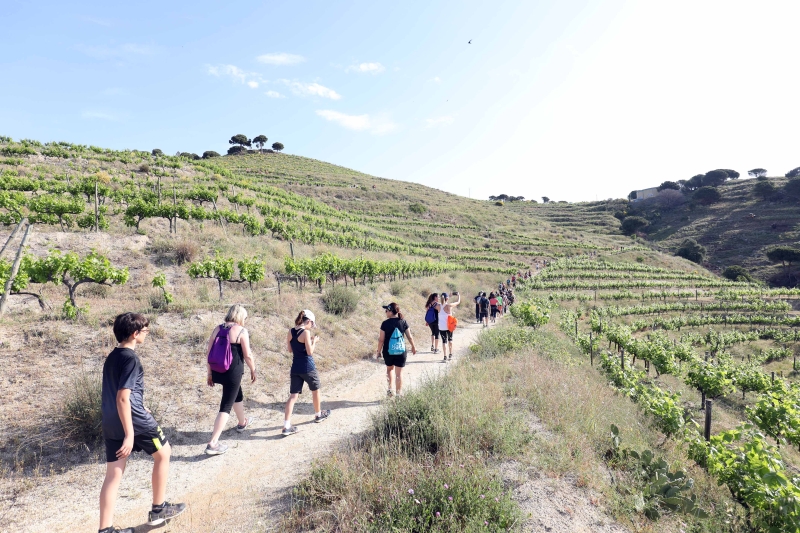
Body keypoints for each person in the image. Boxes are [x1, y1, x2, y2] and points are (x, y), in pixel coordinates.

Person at [99, 313, 185, 533]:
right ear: (135, 334)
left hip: (111, 421)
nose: (147, 334)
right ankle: (159, 509)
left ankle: (105, 530)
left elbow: (120, 394)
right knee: (164, 453)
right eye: (145, 331)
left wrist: (139, 404)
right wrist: (130, 434)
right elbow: (122, 397)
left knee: (113, 474)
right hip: (134, 421)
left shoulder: (112, 356)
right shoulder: (131, 358)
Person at [205, 304, 257, 455]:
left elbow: (208, 353)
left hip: (216, 370)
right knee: (226, 406)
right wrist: (253, 369)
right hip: (232, 372)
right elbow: (247, 355)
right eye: (245, 317)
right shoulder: (241, 330)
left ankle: (242, 422)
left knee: (236, 394)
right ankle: (213, 443)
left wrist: (209, 374)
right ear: (240, 316)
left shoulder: (217, 328)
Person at [282, 310, 331, 436]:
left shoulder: (291, 331)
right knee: (315, 390)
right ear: (308, 321)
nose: (311, 327)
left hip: (295, 367)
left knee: (293, 396)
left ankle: (286, 426)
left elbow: (289, 349)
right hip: (308, 367)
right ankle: (318, 414)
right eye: (311, 324)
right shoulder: (305, 332)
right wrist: (314, 341)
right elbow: (310, 352)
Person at [377, 302, 417, 396]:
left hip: (388, 351)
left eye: (386, 310)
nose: (385, 312)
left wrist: (378, 351)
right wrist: (413, 346)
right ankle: (399, 394)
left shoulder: (385, 324)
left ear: (391, 312)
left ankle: (390, 390)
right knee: (399, 374)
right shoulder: (403, 322)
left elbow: (381, 340)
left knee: (389, 369)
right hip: (400, 351)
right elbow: (409, 336)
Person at [436, 292, 461, 361]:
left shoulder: (438, 306)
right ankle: (450, 354)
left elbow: (435, 303)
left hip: (441, 327)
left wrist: (447, 297)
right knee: (450, 340)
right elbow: (458, 302)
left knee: (444, 341)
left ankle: (445, 356)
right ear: (447, 298)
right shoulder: (449, 306)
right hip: (449, 326)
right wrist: (458, 295)